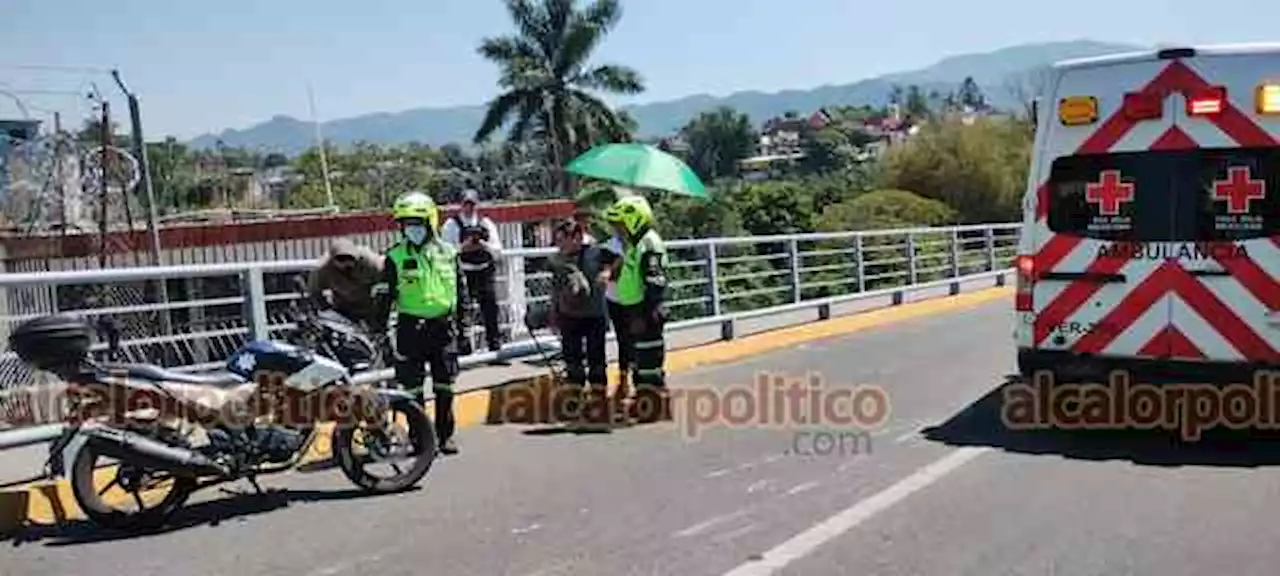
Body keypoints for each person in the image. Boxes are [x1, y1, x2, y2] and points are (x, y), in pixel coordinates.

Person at [371, 191, 469, 455]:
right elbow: (385, 296)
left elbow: (461, 294)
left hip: (443, 328)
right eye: (405, 224)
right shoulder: (394, 257)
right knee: (412, 390)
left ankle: (445, 435)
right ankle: (420, 439)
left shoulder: (449, 253)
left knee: (445, 386)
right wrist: (379, 333)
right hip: (410, 328)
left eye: (415, 222)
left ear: (429, 222)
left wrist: (465, 330)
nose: (410, 229)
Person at [601, 195, 670, 424]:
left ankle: (654, 405)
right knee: (641, 360)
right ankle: (646, 402)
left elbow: (654, 281)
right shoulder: (636, 243)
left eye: (620, 225)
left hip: (646, 310)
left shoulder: (648, 243)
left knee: (650, 360)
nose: (618, 230)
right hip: (635, 309)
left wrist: (643, 313)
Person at [546, 219, 611, 428]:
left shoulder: (597, 251)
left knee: (596, 359)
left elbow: (618, 260)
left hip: (594, 314)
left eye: (563, 241)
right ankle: (575, 401)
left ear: (576, 238)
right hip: (569, 315)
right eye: (557, 241)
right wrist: (554, 313)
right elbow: (555, 288)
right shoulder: (557, 260)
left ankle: (599, 401)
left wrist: (607, 273)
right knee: (572, 360)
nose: (560, 245)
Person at [441, 189, 504, 355]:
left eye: (472, 204)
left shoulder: (486, 223)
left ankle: (495, 348)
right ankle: (464, 350)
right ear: (460, 205)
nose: (469, 208)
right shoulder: (451, 225)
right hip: (463, 273)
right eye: (466, 204)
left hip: (485, 271)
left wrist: (484, 245)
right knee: (462, 312)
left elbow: (498, 250)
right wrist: (464, 247)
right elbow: (446, 252)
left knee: (490, 310)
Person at [306, 238, 385, 326]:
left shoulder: (371, 262)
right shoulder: (322, 269)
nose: (346, 263)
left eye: (349, 258)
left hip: (370, 305)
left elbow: (385, 283)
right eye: (340, 259)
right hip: (343, 308)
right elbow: (314, 291)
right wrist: (327, 309)